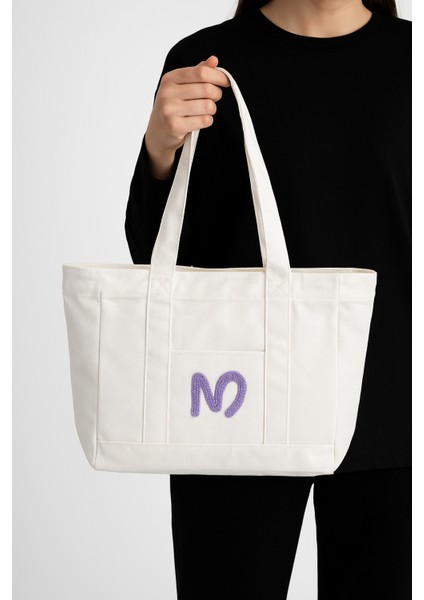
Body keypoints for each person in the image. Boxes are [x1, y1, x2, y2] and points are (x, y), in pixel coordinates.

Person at [124, 0, 412, 598]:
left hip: (395, 402)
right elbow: (160, 263)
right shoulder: (207, 64)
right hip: (233, 397)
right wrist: (159, 151)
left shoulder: (413, 60)